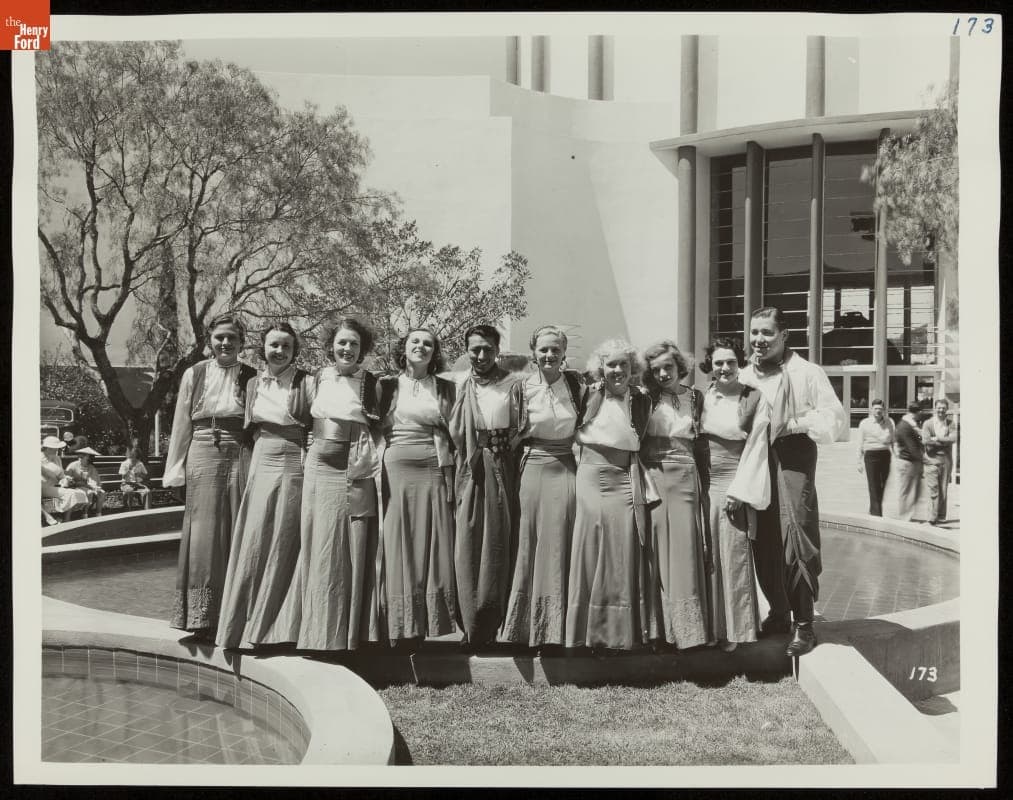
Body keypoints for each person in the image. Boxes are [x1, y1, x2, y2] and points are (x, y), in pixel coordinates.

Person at [739, 307, 848, 657]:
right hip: (754, 461)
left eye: (767, 332)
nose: (759, 340)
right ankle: (777, 610)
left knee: (797, 537)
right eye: (754, 332)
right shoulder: (742, 375)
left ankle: (804, 622)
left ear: (784, 335)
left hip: (793, 457)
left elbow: (835, 420)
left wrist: (796, 421)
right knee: (763, 538)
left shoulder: (807, 372)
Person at [216, 323, 314, 650]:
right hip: (261, 459)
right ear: (264, 347)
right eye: (274, 345)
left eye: (286, 346)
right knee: (255, 538)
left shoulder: (308, 383)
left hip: (293, 462)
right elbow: (247, 428)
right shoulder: (254, 383)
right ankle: (242, 627)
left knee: (286, 539)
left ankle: (280, 630)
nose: (280, 351)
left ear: (294, 351)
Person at [289, 318, 384, 651]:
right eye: (342, 342)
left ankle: (350, 634)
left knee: (352, 546)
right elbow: (301, 422)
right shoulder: (316, 378)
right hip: (318, 466)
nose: (347, 349)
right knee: (319, 543)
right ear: (331, 345)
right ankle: (316, 631)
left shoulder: (372, 383)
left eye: (354, 344)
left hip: (355, 466)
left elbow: (379, 429)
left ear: (363, 349)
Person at [164, 312, 257, 638]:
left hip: (240, 452)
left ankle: (235, 617)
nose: (226, 343)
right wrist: (175, 472)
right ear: (209, 341)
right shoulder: (195, 373)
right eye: (220, 337)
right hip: (202, 451)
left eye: (232, 337)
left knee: (236, 529)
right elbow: (180, 425)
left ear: (242, 342)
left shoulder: (253, 377)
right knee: (203, 534)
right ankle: (201, 618)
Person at [565, 338, 655, 652]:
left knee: (623, 549)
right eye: (611, 364)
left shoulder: (641, 400)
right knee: (589, 547)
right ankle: (587, 633)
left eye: (624, 364)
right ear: (601, 367)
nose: (617, 370)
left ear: (633, 370)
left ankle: (621, 634)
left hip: (624, 477)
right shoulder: (586, 393)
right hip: (590, 474)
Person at [502, 325, 585, 649]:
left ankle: (558, 631)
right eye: (543, 350)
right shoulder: (521, 388)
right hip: (531, 468)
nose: (549, 355)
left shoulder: (577, 386)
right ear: (533, 353)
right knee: (528, 542)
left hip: (566, 469)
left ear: (564, 354)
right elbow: (508, 433)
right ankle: (524, 629)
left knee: (560, 543)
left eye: (555, 350)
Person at [377, 329, 458, 646]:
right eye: (415, 342)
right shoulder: (386, 386)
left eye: (428, 343)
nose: (421, 347)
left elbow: (457, 429)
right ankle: (399, 625)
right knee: (399, 541)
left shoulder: (446, 387)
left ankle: (426, 625)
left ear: (434, 352)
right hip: (395, 466)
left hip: (433, 465)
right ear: (404, 349)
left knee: (431, 541)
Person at [449, 324, 524, 647]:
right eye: (475, 349)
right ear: (466, 350)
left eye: (487, 350)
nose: (481, 356)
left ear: (497, 350)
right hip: (467, 465)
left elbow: (522, 426)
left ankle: (491, 624)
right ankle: (467, 623)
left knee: (496, 541)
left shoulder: (513, 383)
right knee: (466, 539)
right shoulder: (457, 385)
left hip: (499, 465)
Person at [699, 337, 771, 651]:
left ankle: (738, 631)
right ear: (710, 367)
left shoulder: (754, 397)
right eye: (718, 363)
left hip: (733, 484)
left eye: (730, 362)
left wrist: (739, 490)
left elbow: (756, 448)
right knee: (707, 556)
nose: (725, 368)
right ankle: (711, 628)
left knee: (734, 556)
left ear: (738, 363)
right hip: (703, 484)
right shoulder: (703, 398)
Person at [639, 339, 710, 651]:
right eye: (656, 370)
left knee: (685, 550)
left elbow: (703, 443)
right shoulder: (644, 398)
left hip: (686, 476)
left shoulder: (696, 398)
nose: (663, 374)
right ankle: (657, 632)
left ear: (680, 366)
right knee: (654, 550)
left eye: (668, 367)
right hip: (653, 475)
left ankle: (688, 632)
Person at [856, 399, 895, 517]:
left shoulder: (889, 422)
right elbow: (859, 443)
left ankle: (874, 508)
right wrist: (859, 461)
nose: (878, 411)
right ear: (871, 410)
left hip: (885, 455)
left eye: (880, 409)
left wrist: (897, 456)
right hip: (871, 456)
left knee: (883, 484)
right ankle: (877, 514)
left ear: (884, 410)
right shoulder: (864, 423)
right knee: (873, 485)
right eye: (876, 408)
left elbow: (893, 441)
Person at [922, 398, 957, 523]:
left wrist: (936, 438)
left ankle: (941, 516)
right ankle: (932, 516)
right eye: (939, 407)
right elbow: (926, 440)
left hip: (946, 460)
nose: (941, 410)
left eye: (943, 407)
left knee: (943, 489)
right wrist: (943, 441)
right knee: (933, 488)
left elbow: (953, 438)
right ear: (935, 408)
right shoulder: (928, 423)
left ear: (947, 409)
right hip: (931, 459)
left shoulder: (951, 423)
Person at [41, 436, 89, 519]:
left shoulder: (57, 459)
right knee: (70, 493)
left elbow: (61, 475)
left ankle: (65, 517)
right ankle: (63, 517)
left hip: (56, 486)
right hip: (43, 487)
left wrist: (66, 479)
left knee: (80, 493)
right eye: (55, 448)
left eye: (57, 448)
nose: (57, 450)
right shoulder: (38, 459)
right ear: (48, 448)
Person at [895, 402, 928, 522]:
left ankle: (907, 514)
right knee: (906, 490)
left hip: (911, 461)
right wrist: (924, 460)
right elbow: (912, 447)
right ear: (917, 412)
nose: (921, 415)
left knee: (914, 490)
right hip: (907, 462)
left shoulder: (910, 425)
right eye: (921, 413)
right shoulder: (905, 426)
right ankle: (904, 517)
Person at [62, 447, 106, 517]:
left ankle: (98, 513)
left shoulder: (91, 467)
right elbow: (66, 479)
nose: (82, 458)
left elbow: (94, 479)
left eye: (87, 456)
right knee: (89, 492)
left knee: (102, 493)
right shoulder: (73, 465)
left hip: (87, 486)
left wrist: (95, 487)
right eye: (82, 456)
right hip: (75, 486)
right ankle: (84, 514)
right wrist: (72, 481)